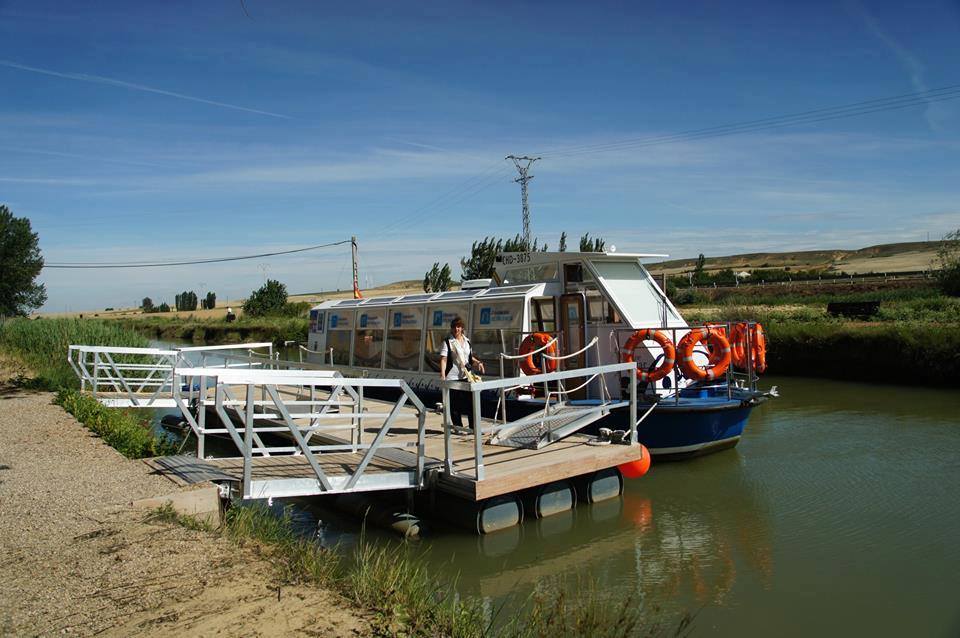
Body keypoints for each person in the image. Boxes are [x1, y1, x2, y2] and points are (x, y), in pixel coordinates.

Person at [439, 317, 485, 429]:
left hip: (466, 376)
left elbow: (468, 357)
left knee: (471, 402)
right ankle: (458, 427)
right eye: (454, 327)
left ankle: (473, 427)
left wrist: (478, 363)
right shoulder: (447, 342)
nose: (456, 329)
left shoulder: (467, 341)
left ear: (462, 328)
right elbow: (443, 359)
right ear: (451, 328)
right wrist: (443, 375)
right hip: (452, 377)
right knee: (455, 404)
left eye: (459, 327)